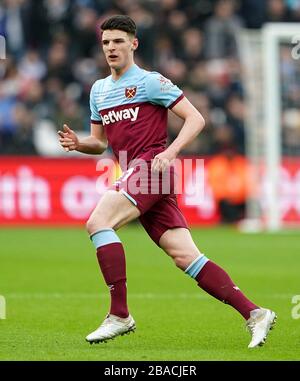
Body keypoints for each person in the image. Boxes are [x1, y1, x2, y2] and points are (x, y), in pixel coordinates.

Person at [58, 15, 276, 348]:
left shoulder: (150, 82)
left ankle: (119, 315)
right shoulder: (99, 90)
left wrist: (171, 151)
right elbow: (99, 142)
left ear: (134, 43)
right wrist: (79, 144)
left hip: (151, 169)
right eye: (106, 42)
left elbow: (195, 118)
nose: (111, 48)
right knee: (185, 256)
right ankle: (254, 313)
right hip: (134, 173)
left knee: (98, 221)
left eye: (118, 41)